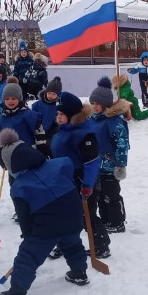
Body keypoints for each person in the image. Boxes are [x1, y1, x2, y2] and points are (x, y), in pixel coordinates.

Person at [0, 128, 89, 295]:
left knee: (28, 255)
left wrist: (29, 235)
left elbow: (24, 217)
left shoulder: (19, 187)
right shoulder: (58, 164)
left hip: (46, 227)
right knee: (72, 245)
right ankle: (79, 273)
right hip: (73, 217)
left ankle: (18, 290)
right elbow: (70, 170)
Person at [49, 91, 106, 258]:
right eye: (57, 114)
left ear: (73, 115)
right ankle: (64, 244)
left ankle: (101, 244)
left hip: (82, 181)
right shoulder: (62, 131)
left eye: (62, 114)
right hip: (64, 181)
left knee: (85, 215)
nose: (58, 117)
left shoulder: (85, 134)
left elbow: (91, 162)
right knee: (63, 215)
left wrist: (87, 185)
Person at [87, 81, 131, 234]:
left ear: (105, 104)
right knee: (99, 195)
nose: (94, 106)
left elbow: (122, 144)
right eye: (92, 103)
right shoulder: (92, 120)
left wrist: (120, 164)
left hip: (111, 166)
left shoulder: (115, 122)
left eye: (98, 103)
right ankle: (105, 219)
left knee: (112, 195)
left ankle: (117, 221)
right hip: (96, 166)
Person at [30, 76, 62, 157]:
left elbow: (59, 124)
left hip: (53, 136)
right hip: (38, 135)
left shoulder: (59, 107)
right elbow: (32, 120)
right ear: (46, 91)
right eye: (49, 93)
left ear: (58, 95)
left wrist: (51, 135)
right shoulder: (37, 105)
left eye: (54, 94)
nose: (51, 96)